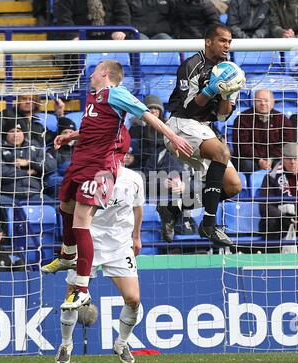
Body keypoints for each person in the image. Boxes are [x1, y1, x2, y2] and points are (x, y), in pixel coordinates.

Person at [41, 60, 193, 310]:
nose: (90, 75)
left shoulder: (117, 94)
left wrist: (173, 136)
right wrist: (71, 135)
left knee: (81, 221)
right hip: (81, 161)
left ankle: (81, 289)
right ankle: (67, 255)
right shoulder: (95, 97)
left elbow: (145, 113)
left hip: (99, 168)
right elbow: (93, 128)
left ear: (104, 73)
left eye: (94, 70)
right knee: (64, 206)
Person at [45, 165, 144, 363]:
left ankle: (122, 343)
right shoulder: (87, 175)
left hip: (119, 245)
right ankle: (66, 345)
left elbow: (138, 207)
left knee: (133, 299)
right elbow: (69, 208)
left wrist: (136, 236)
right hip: (88, 242)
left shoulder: (134, 178)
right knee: (72, 295)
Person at [166, 23, 244, 247]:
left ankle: (173, 207)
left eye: (229, 41)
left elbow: (221, 117)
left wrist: (227, 93)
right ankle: (209, 224)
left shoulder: (231, 70)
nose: (226, 45)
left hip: (205, 128)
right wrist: (210, 90)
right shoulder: (191, 65)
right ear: (208, 41)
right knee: (221, 152)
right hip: (180, 124)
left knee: (233, 186)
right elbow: (189, 108)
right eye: (222, 40)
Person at [232, 89, 295, 173]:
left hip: (275, 158)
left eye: (266, 100)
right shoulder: (242, 118)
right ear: (253, 102)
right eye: (259, 101)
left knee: (283, 164)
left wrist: (271, 158)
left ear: (273, 102)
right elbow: (241, 145)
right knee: (247, 165)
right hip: (250, 159)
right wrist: (259, 160)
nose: (263, 103)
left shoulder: (282, 119)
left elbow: (287, 143)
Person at [0, 120, 57, 203]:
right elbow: (1, 172)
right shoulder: (0, 148)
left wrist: (29, 162)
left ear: (23, 133)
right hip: (7, 194)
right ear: (5, 134)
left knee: (53, 208)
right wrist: (27, 172)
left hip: (33, 193)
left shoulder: (34, 146)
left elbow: (51, 165)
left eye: (18, 131)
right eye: (12, 131)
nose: (15, 135)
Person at [259, 143, 298, 252]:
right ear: (282, 159)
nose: (292, 162)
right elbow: (264, 206)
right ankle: (272, 260)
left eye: (295, 158)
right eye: (289, 159)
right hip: (280, 222)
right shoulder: (271, 177)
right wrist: (284, 217)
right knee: (269, 222)